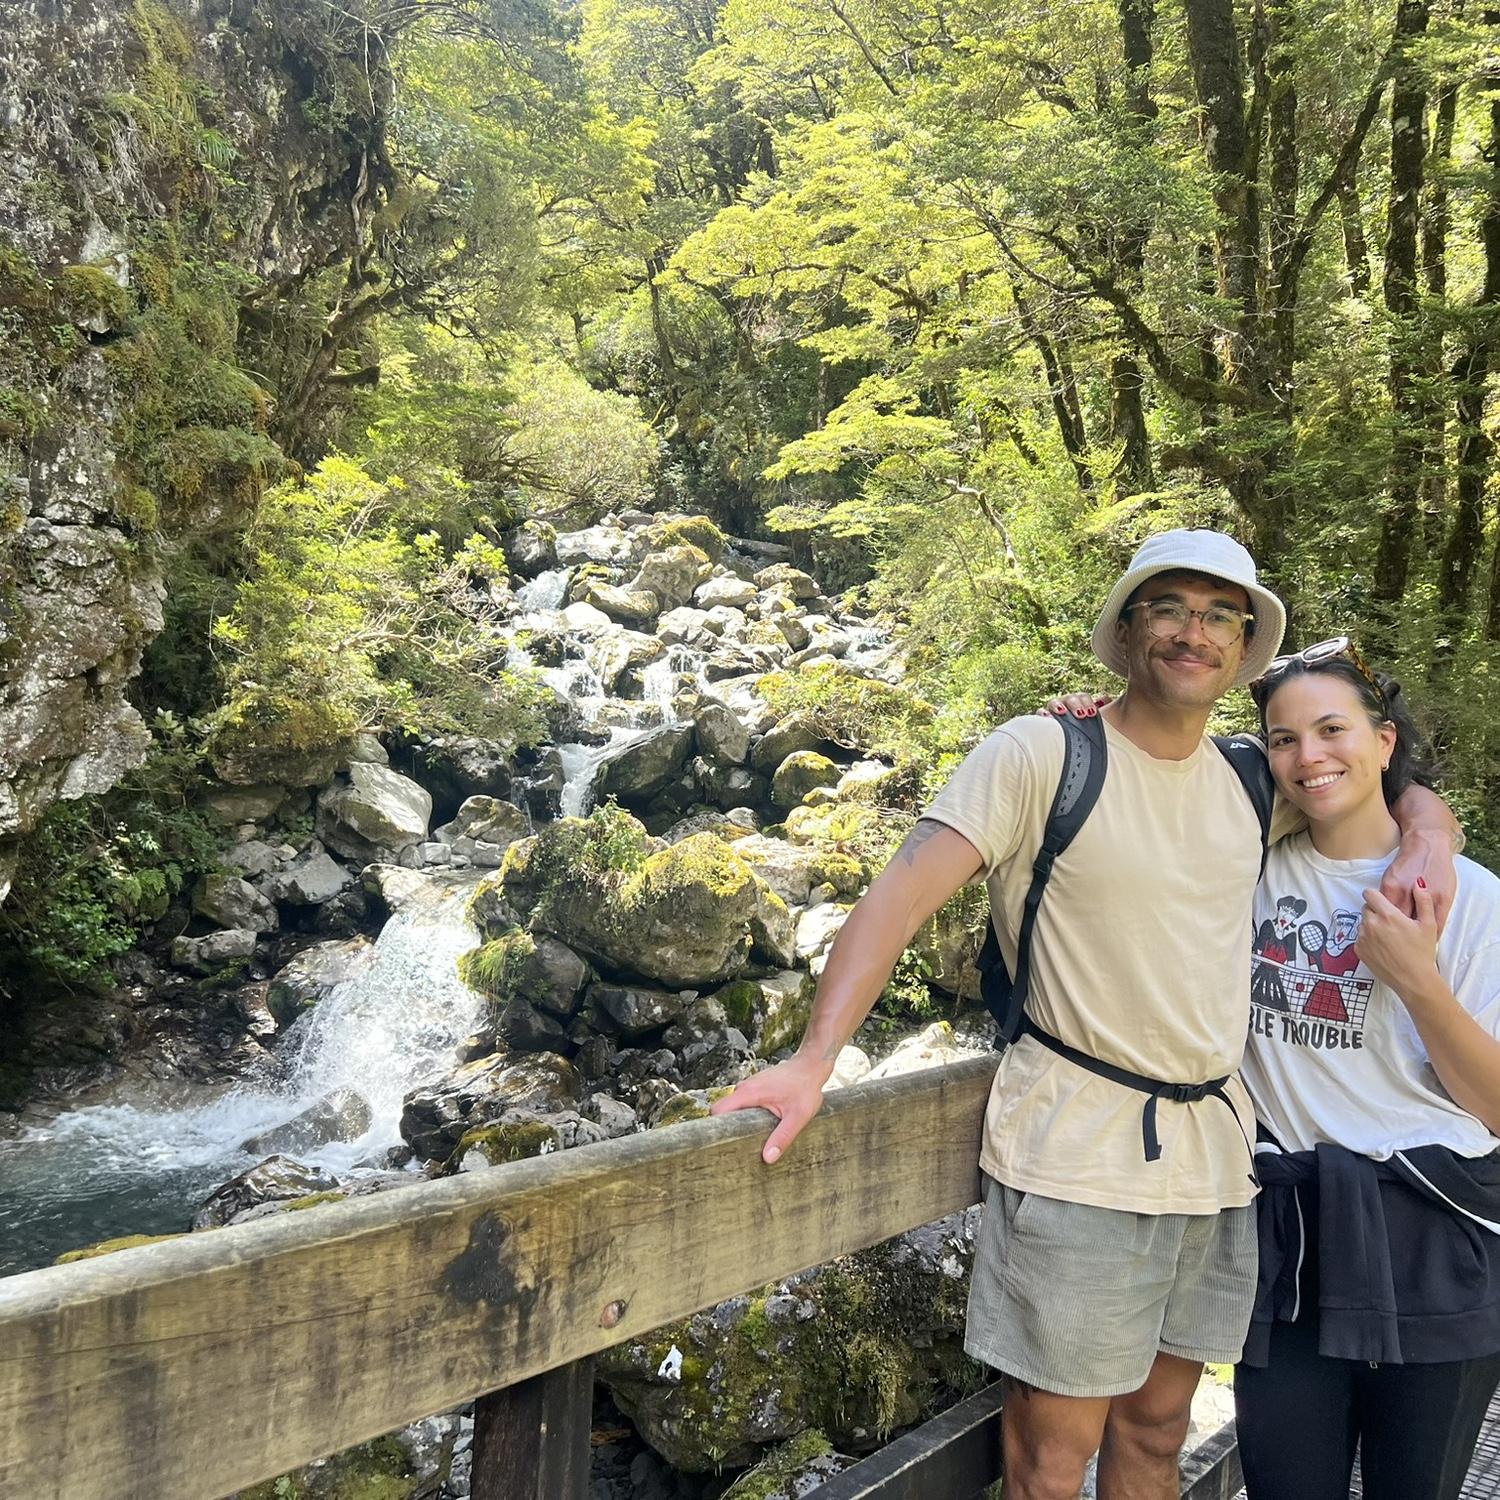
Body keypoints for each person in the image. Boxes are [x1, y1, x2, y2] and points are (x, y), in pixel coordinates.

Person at [712, 528, 1459, 1500]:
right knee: (1048, 1460)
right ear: (1130, 626)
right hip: (1076, 1155)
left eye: (1219, 616)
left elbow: (1370, 775)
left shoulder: (1247, 778)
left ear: (1241, 650)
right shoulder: (1038, 755)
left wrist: (1433, 833)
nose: (1195, 632)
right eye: (1172, 609)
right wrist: (815, 1059)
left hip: (1213, 1166)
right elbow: (898, 894)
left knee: (1155, 1435)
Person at [1234, 639, 1500, 1500]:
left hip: (1432, 1231)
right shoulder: (1245, 870)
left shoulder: (1470, 899)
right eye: (1283, 739)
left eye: (1332, 729)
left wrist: (1420, 983)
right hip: (1294, 1240)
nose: (1309, 756)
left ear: (1385, 742)